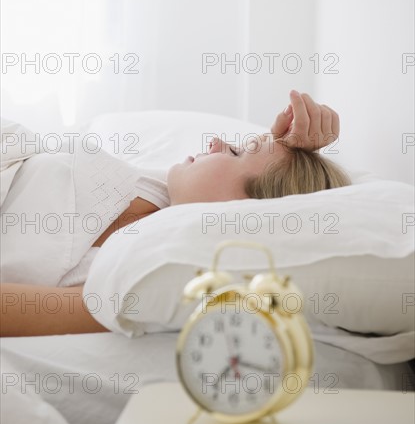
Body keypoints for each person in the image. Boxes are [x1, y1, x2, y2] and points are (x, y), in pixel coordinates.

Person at [0, 90, 350, 337]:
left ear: (244, 213)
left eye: (233, 153)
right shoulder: (162, 187)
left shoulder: (144, 277)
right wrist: (283, 143)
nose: (215, 142)